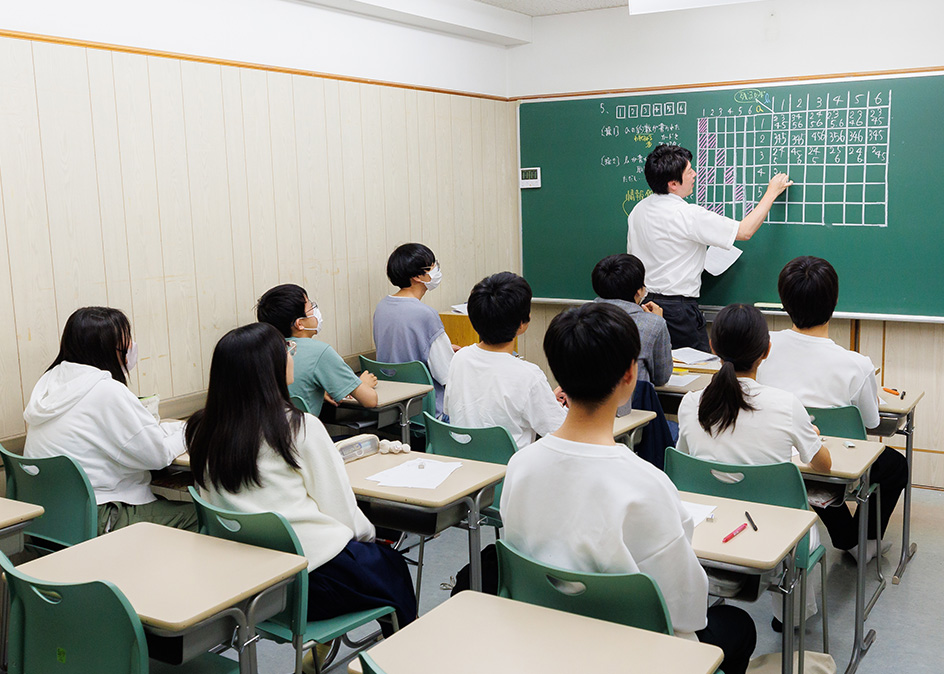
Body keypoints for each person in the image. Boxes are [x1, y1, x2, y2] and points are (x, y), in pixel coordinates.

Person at [500, 303, 755, 674]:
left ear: (558, 374)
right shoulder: (647, 484)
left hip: (546, 636)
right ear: (630, 374)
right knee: (739, 627)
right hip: (634, 654)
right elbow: (686, 610)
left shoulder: (520, 465)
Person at [186, 323, 415, 672]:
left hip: (249, 585)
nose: (293, 354)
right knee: (393, 567)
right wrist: (371, 543)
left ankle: (324, 651)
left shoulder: (203, 428)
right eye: (288, 351)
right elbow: (341, 513)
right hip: (309, 584)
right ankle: (400, 662)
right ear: (270, 370)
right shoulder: (299, 427)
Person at [676, 303, 831, 629]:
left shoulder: (691, 403)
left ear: (713, 347)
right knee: (807, 528)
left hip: (708, 526)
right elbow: (824, 465)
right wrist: (812, 436)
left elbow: (684, 462)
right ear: (767, 350)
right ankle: (789, 620)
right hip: (773, 535)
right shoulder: (785, 405)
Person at [757, 256, 908, 563]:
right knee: (893, 465)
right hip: (826, 461)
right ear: (835, 300)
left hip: (773, 456)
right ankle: (861, 542)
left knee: (810, 463)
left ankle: (845, 535)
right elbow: (869, 423)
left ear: (783, 301)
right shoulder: (856, 365)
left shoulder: (762, 347)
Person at [23, 306, 197, 534]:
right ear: (106, 350)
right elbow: (158, 456)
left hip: (51, 517)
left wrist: (179, 428)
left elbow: (134, 435)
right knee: (201, 516)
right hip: (98, 517)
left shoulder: (50, 382)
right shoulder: (105, 390)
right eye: (125, 344)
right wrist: (192, 432)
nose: (131, 349)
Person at [627, 143, 793, 351]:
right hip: (678, 313)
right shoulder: (687, 214)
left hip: (643, 306)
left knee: (657, 373)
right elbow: (745, 231)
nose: (695, 174)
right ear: (673, 184)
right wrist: (771, 192)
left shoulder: (638, 210)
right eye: (689, 172)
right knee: (695, 375)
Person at [444, 272, 565, 450]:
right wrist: (553, 405)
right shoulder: (529, 375)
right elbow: (558, 429)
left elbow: (451, 411)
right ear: (523, 323)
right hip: (509, 471)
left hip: (466, 464)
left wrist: (544, 399)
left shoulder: (459, 358)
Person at [256, 283, 377, 415]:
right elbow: (370, 400)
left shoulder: (261, 351)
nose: (315, 310)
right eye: (310, 307)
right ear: (300, 324)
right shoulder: (319, 352)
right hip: (303, 434)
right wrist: (360, 383)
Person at [373, 243, 455, 417]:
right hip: (428, 410)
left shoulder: (382, 307)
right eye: (433, 266)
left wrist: (441, 346)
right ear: (417, 276)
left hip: (393, 408)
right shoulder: (425, 314)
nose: (436, 270)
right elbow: (447, 374)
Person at [591, 253, 672, 387]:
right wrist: (656, 322)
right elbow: (661, 377)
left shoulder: (578, 317)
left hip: (584, 403)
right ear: (639, 291)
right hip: (633, 404)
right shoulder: (653, 324)